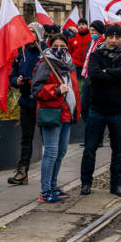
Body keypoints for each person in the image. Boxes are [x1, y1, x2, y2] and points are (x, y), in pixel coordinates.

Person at [80, 24, 121, 198]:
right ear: (106, 38)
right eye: (111, 37)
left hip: (119, 111)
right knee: (90, 149)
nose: (114, 40)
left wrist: (108, 73)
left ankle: (116, 184)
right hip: (97, 110)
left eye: (117, 37)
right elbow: (94, 74)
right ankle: (86, 183)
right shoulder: (96, 56)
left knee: (118, 151)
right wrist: (117, 77)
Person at [33, 35, 80, 203]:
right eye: (55, 45)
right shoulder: (44, 64)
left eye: (62, 45)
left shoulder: (69, 64)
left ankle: (53, 186)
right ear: (50, 47)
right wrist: (56, 90)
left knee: (61, 153)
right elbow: (36, 90)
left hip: (67, 115)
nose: (59, 48)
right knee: (51, 153)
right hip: (52, 114)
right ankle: (45, 191)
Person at [6, 22, 46, 185]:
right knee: (26, 138)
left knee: (47, 140)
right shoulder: (20, 52)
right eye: (27, 32)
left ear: (39, 35)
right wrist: (18, 80)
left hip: (43, 103)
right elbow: (12, 76)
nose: (29, 35)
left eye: (33, 32)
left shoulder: (46, 53)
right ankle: (22, 172)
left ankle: (49, 173)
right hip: (26, 102)